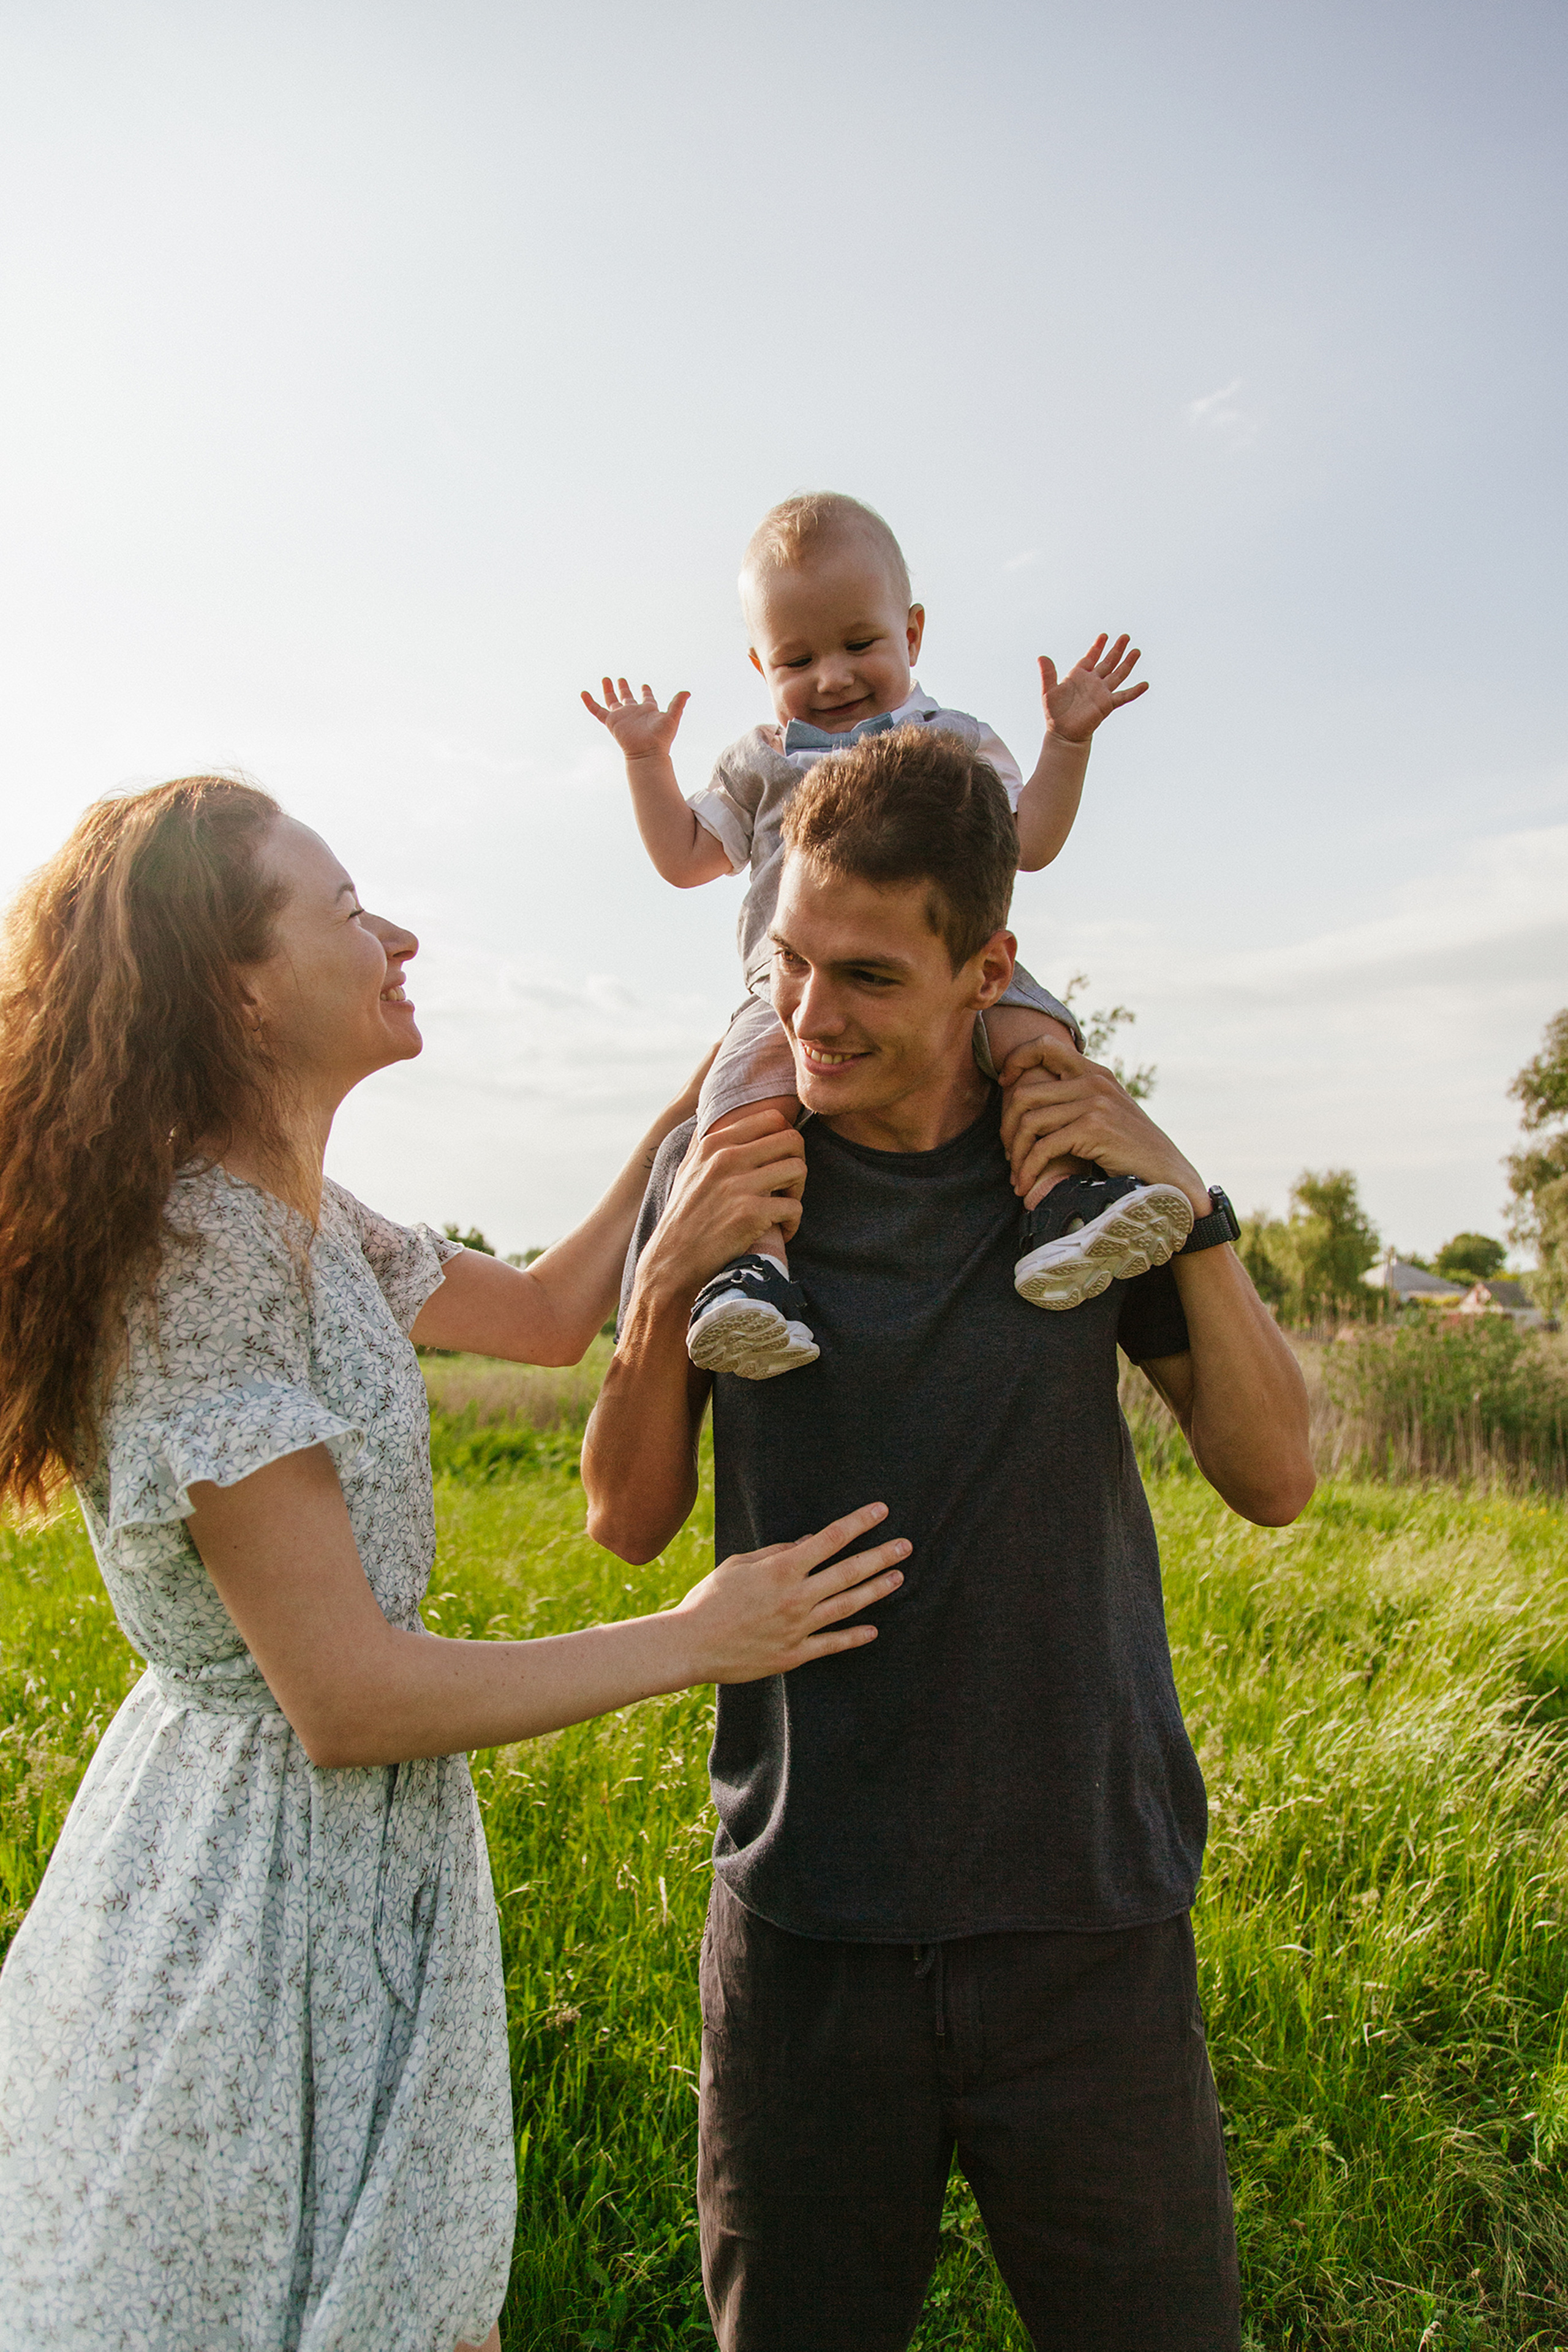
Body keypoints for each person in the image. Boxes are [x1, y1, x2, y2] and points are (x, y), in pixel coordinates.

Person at [0, 775, 908, 2352]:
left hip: (353, 1868)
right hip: (260, 1892)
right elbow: (343, 1696)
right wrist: (697, 1634)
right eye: (349, 913)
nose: (397, 934)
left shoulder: (295, 1216)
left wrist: (722, 1071)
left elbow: (555, 1318)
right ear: (240, 988)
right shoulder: (207, 1260)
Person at [581, 730, 1316, 2352]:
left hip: (1088, 1916)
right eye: (788, 965)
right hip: (806, 1930)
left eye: (866, 977)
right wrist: (660, 1284)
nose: (810, 1018)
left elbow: (1274, 1476)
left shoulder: (1077, 1175)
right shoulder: (736, 1171)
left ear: (989, 966)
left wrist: (1189, 1202)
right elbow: (627, 1524)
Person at [584, 489, 1193, 1381]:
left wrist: (1068, 741)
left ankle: (1067, 1204)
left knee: (1042, 1043)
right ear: (760, 663)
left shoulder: (953, 738)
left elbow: (1029, 843)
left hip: (949, 970)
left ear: (912, 633)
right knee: (742, 1108)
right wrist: (647, 763)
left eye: (859, 644)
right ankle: (753, 1273)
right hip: (784, 992)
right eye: (797, 657)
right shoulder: (760, 759)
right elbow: (685, 859)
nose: (831, 676)